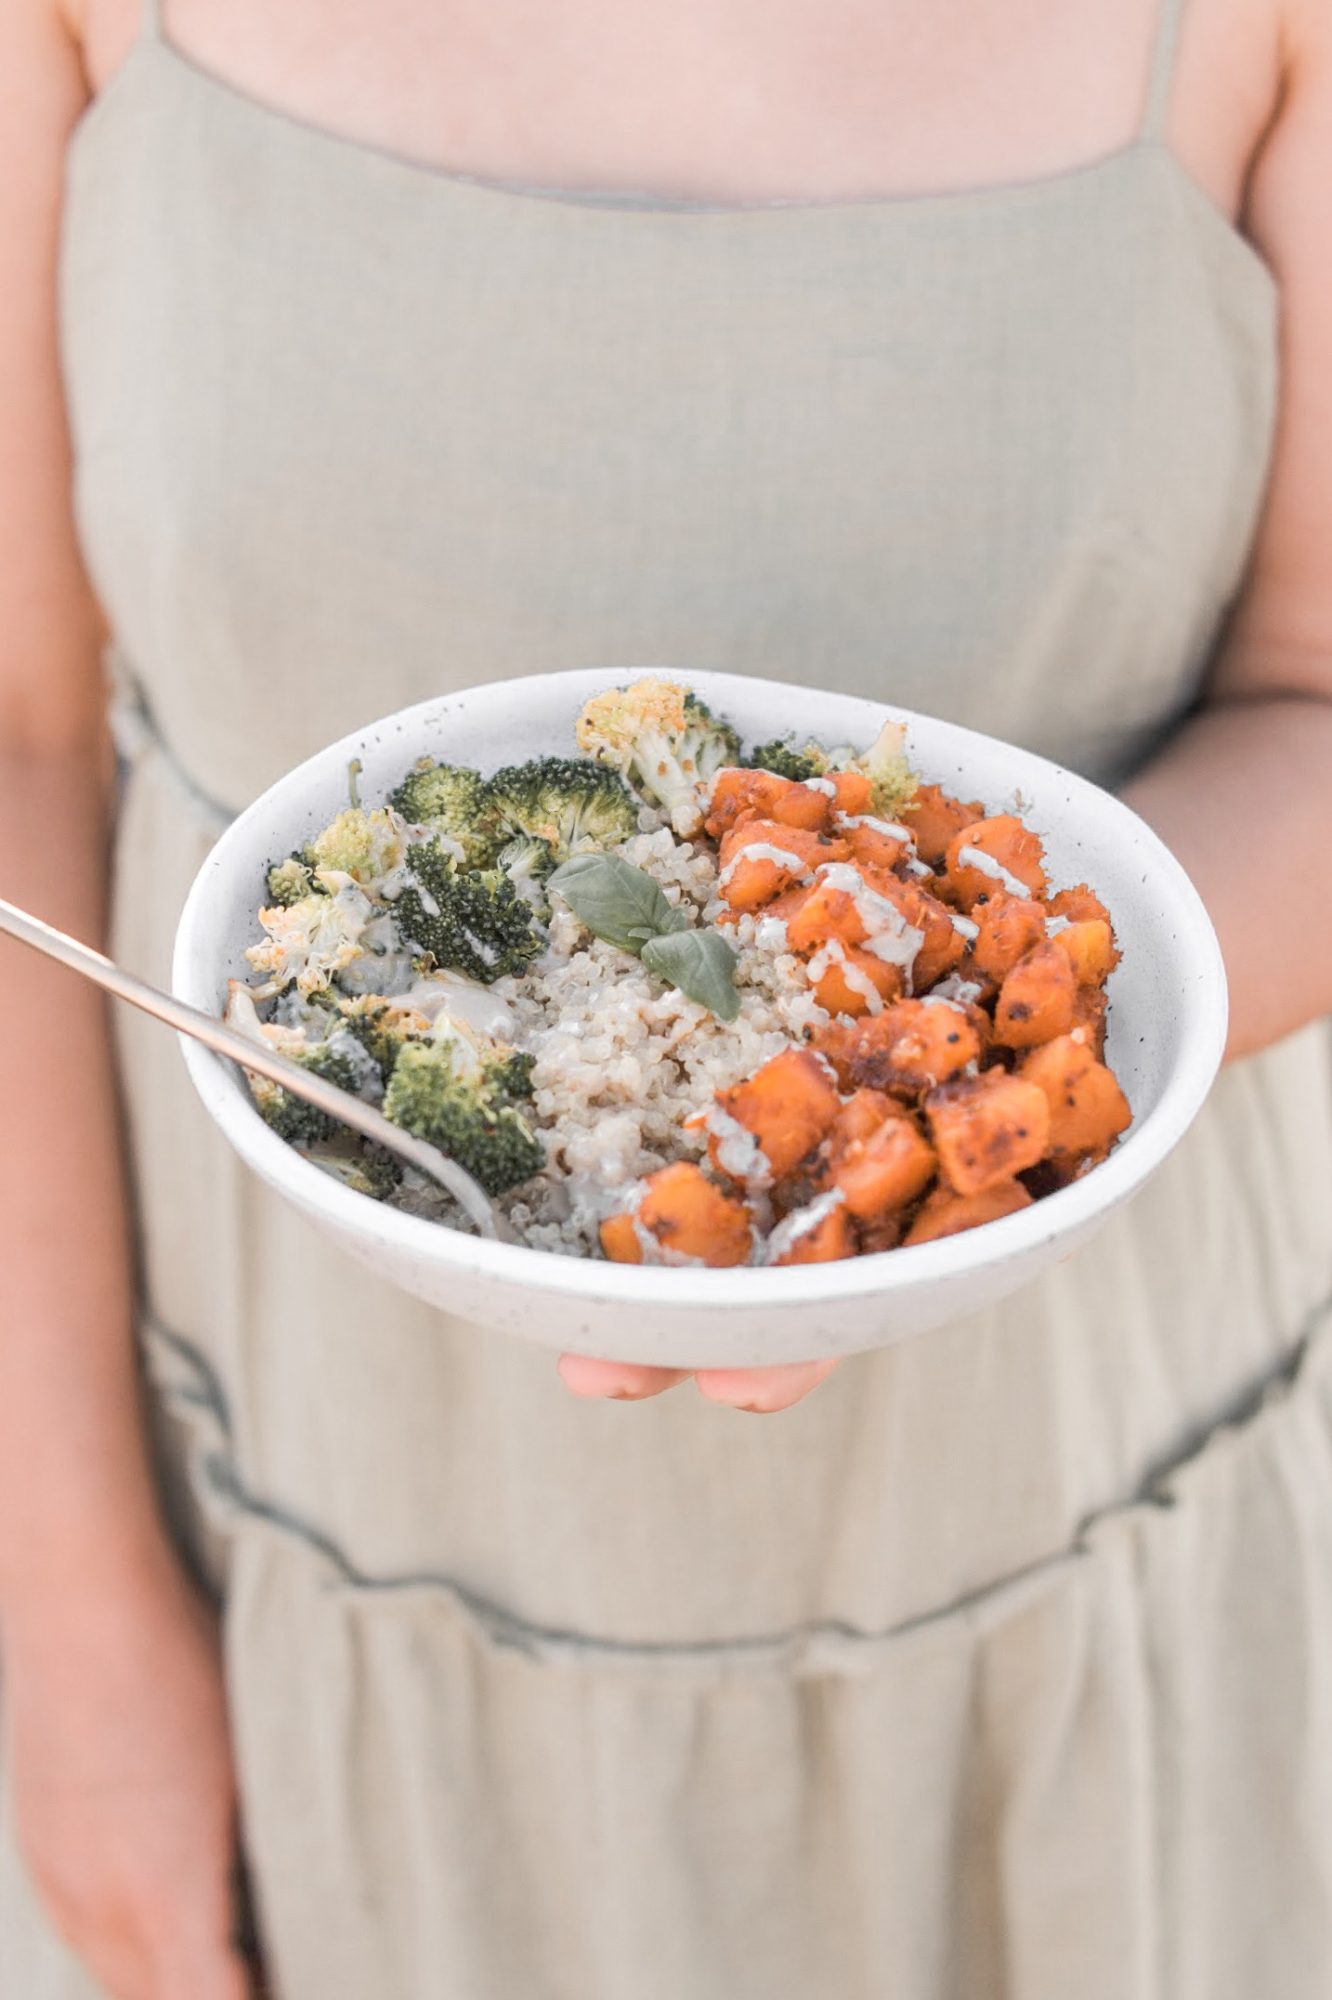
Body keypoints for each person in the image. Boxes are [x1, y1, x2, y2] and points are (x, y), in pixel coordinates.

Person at [2, 0, 1330, 1993]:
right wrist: (68, 1616)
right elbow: (17, 742)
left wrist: (938, 1102)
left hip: (1054, 1513)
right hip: (314, 1516)